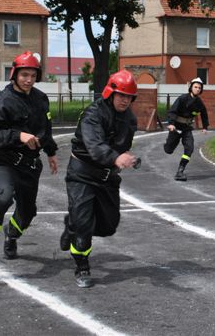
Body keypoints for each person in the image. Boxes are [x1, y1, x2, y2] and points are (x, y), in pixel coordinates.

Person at [0, 51, 59, 273]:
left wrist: (51, 151)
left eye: (33, 75)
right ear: (15, 75)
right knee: (2, 198)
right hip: (6, 161)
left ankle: (12, 235)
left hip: (30, 165)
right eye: (24, 74)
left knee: (27, 212)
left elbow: (45, 130)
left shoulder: (41, 99)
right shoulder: (2, 101)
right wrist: (18, 135)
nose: (28, 79)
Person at [60, 70, 139, 288]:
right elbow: (95, 146)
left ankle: (71, 224)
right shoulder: (93, 114)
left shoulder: (130, 119)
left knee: (108, 226)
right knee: (84, 225)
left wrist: (125, 159)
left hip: (106, 176)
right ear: (110, 93)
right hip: (82, 173)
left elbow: (122, 146)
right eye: (121, 94)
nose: (125, 100)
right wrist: (116, 157)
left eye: (129, 96)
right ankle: (82, 266)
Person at [164, 77, 209, 181]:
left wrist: (205, 127)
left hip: (187, 129)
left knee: (190, 148)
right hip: (176, 127)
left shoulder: (199, 103)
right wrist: (171, 124)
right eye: (195, 87)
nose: (197, 89)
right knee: (168, 150)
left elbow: (204, 114)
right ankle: (167, 144)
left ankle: (180, 171)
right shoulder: (182, 98)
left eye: (199, 88)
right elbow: (172, 111)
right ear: (191, 88)